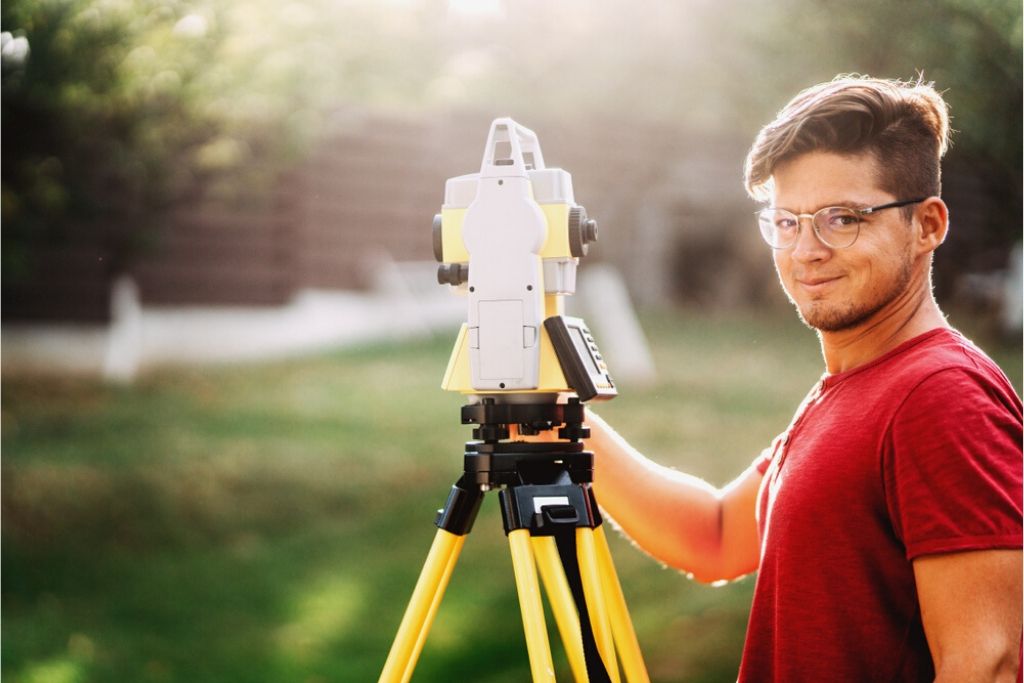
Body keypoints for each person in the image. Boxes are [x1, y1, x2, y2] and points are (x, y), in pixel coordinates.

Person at [586, 76, 1023, 682]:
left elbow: (986, 665)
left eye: (842, 218)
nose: (806, 250)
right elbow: (712, 537)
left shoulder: (938, 396)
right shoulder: (853, 389)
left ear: (927, 225)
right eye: (787, 222)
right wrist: (562, 423)